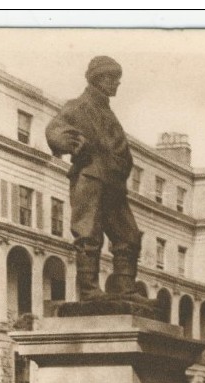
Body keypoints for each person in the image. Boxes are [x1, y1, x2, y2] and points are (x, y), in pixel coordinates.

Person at [45, 56, 141, 301]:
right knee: (88, 233)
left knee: (129, 236)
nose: (116, 84)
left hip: (114, 183)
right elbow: (55, 130)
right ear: (97, 79)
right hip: (90, 176)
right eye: (111, 78)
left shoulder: (108, 112)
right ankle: (89, 291)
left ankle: (124, 289)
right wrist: (71, 143)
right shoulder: (79, 106)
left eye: (117, 79)